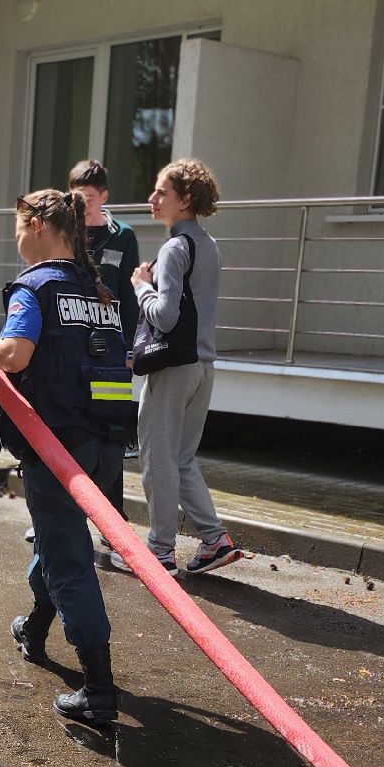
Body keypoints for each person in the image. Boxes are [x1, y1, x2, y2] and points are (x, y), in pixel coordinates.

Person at [0, 189, 133, 725]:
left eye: (17, 228)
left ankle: (98, 688)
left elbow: (17, 354)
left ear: (35, 225)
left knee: (68, 559)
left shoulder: (33, 287)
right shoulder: (98, 288)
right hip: (106, 442)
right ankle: (35, 625)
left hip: (58, 448)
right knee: (61, 545)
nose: (16, 239)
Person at [124, 158, 245, 578]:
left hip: (173, 370)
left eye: (162, 192)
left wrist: (141, 287)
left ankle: (158, 551)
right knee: (181, 459)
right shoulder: (209, 245)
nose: (152, 199)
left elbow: (167, 316)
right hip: (203, 367)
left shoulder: (175, 247)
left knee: (158, 459)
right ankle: (214, 541)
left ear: (186, 199)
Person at [68, 158, 141, 537]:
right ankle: (61, 515)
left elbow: (129, 298)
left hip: (111, 351)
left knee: (111, 432)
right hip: (74, 347)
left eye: (91, 198)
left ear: (105, 196)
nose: (83, 205)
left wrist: (131, 348)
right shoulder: (63, 231)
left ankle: (114, 524)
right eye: (77, 197)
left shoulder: (122, 236)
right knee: (68, 426)